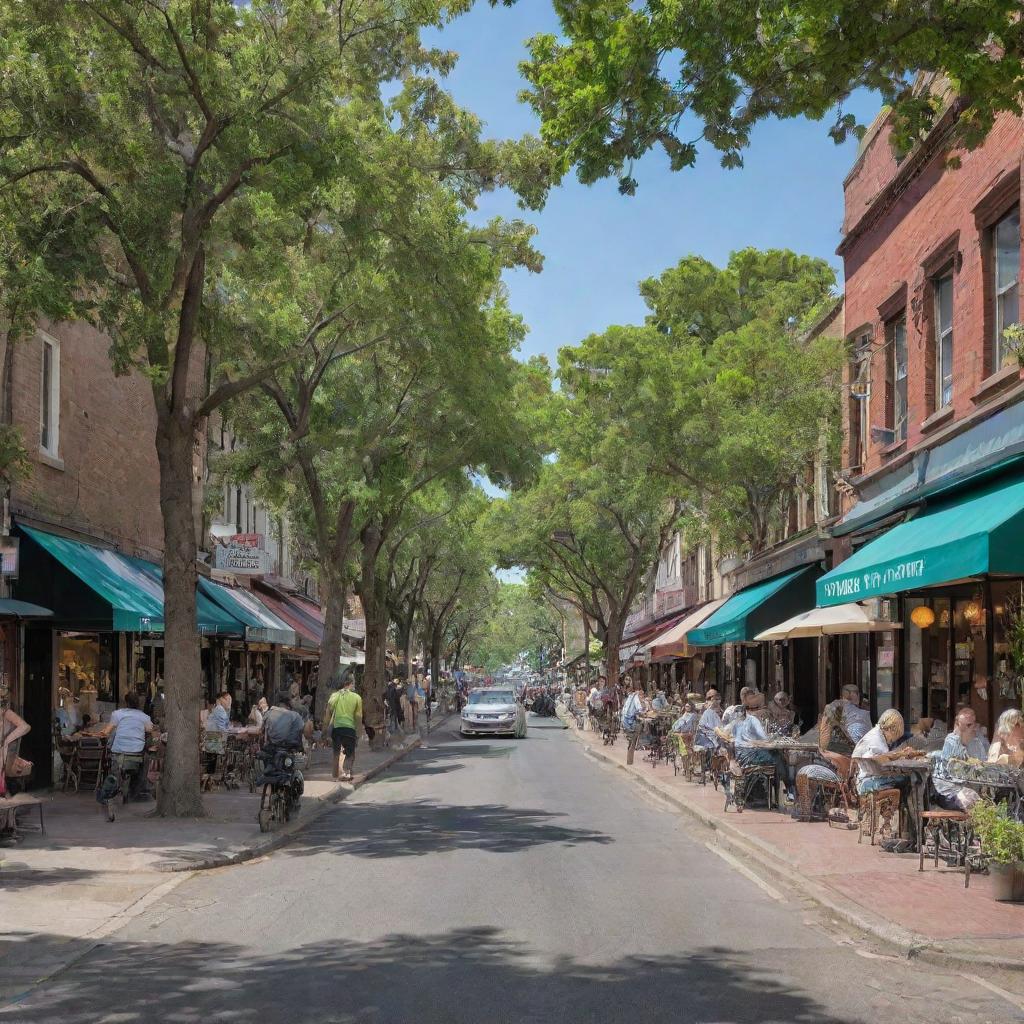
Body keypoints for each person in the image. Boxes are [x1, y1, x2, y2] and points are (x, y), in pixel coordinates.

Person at [721, 692, 797, 803]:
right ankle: (789, 789)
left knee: (774, 755)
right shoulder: (753, 720)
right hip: (749, 756)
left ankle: (775, 793)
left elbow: (724, 733)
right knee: (778, 757)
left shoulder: (736, 719)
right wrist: (769, 738)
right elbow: (764, 738)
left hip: (739, 755)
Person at [96, 692, 154, 799]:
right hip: (136, 754)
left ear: (126, 703)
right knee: (145, 761)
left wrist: (101, 733)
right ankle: (135, 791)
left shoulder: (117, 714)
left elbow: (107, 732)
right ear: (139, 704)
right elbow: (150, 732)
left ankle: (109, 792)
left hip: (118, 753)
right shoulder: (145, 717)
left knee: (113, 770)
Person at [852, 708, 917, 800]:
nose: (893, 741)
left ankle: (904, 810)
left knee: (905, 778)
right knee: (907, 779)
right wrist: (901, 755)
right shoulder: (876, 740)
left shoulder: (877, 734)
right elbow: (874, 762)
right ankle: (906, 811)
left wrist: (901, 754)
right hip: (867, 782)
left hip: (867, 778)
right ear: (890, 728)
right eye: (895, 735)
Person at [932, 708, 989, 811]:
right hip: (950, 791)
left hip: (972, 789)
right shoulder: (951, 740)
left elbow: (984, 765)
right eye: (960, 725)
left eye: (968, 725)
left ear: (975, 725)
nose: (964, 729)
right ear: (957, 724)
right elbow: (949, 773)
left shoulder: (979, 742)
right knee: (970, 803)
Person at [323, 676, 363, 781]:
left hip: (337, 729)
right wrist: (359, 732)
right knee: (350, 753)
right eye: (353, 683)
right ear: (350, 684)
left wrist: (324, 731)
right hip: (349, 729)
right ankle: (347, 772)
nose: (354, 685)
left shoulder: (334, 696)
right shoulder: (357, 697)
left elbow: (328, 715)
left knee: (336, 752)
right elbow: (358, 717)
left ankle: (336, 776)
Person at [823, 684, 873, 750]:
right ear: (857, 696)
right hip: (855, 750)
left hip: (832, 749)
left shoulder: (831, 706)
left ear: (842, 696)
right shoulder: (865, 714)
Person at [621, 680, 649, 765]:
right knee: (635, 739)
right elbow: (639, 709)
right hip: (630, 723)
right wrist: (644, 712)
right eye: (641, 693)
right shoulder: (635, 697)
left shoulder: (629, 697)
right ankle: (630, 762)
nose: (642, 695)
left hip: (625, 722)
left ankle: (630, 761)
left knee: (631, 742)